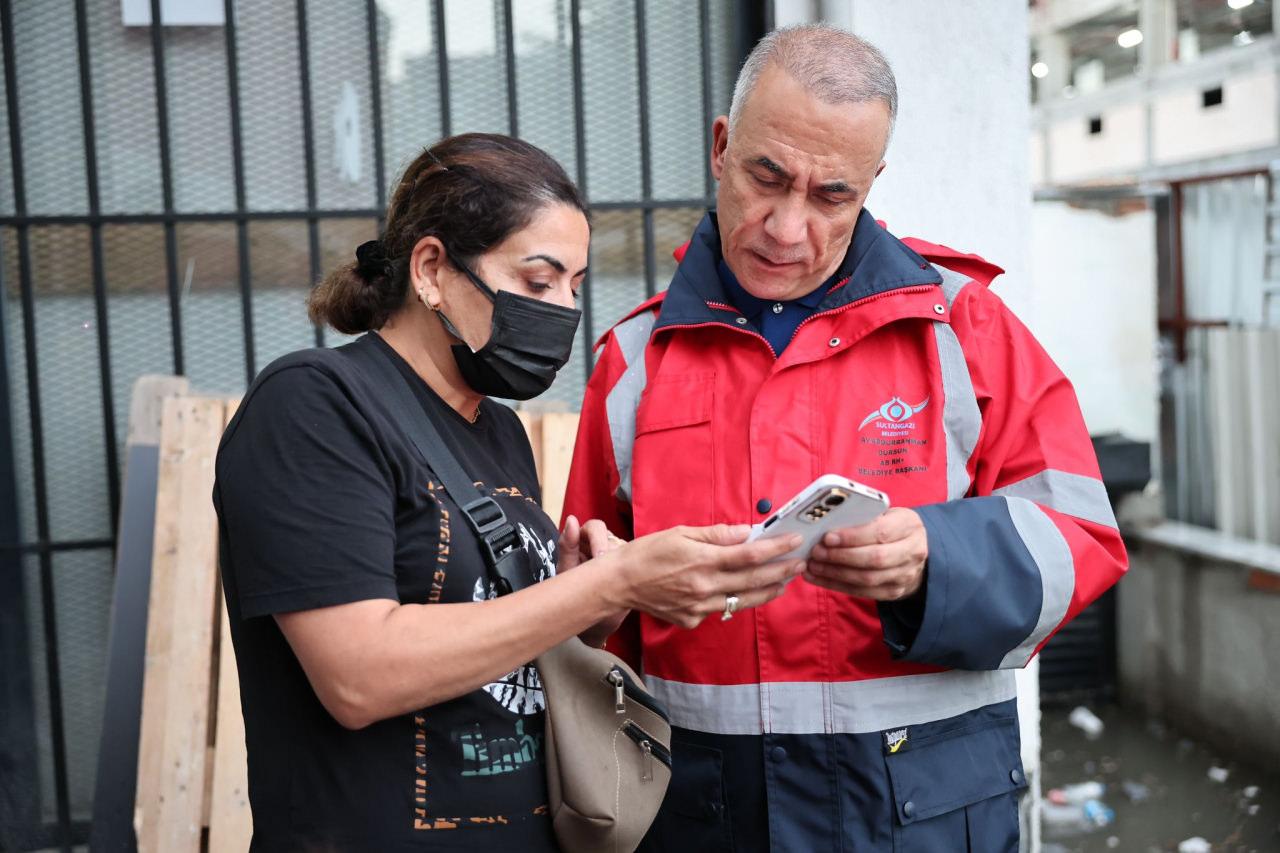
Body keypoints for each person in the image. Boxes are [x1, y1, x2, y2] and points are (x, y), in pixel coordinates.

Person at [562, 25, 1129, 852]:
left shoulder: (963, 326)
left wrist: (936, 560)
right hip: (705, 818)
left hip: (921, 819)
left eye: (832, 195)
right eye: (767, 176)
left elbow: (1082, 536)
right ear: (722, 146)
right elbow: (576, 613)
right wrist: (598, 587)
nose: (787, 228)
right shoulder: (634, 361)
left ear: (872, 184)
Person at [213, 133, 806, 852]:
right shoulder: (315, 404)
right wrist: (607, 583)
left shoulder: (497, 429)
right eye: (537, 279)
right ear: (431, 268)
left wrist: (585, 594)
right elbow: (359, 674)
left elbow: (494, 637)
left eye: (575, 285)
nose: (562, 308)